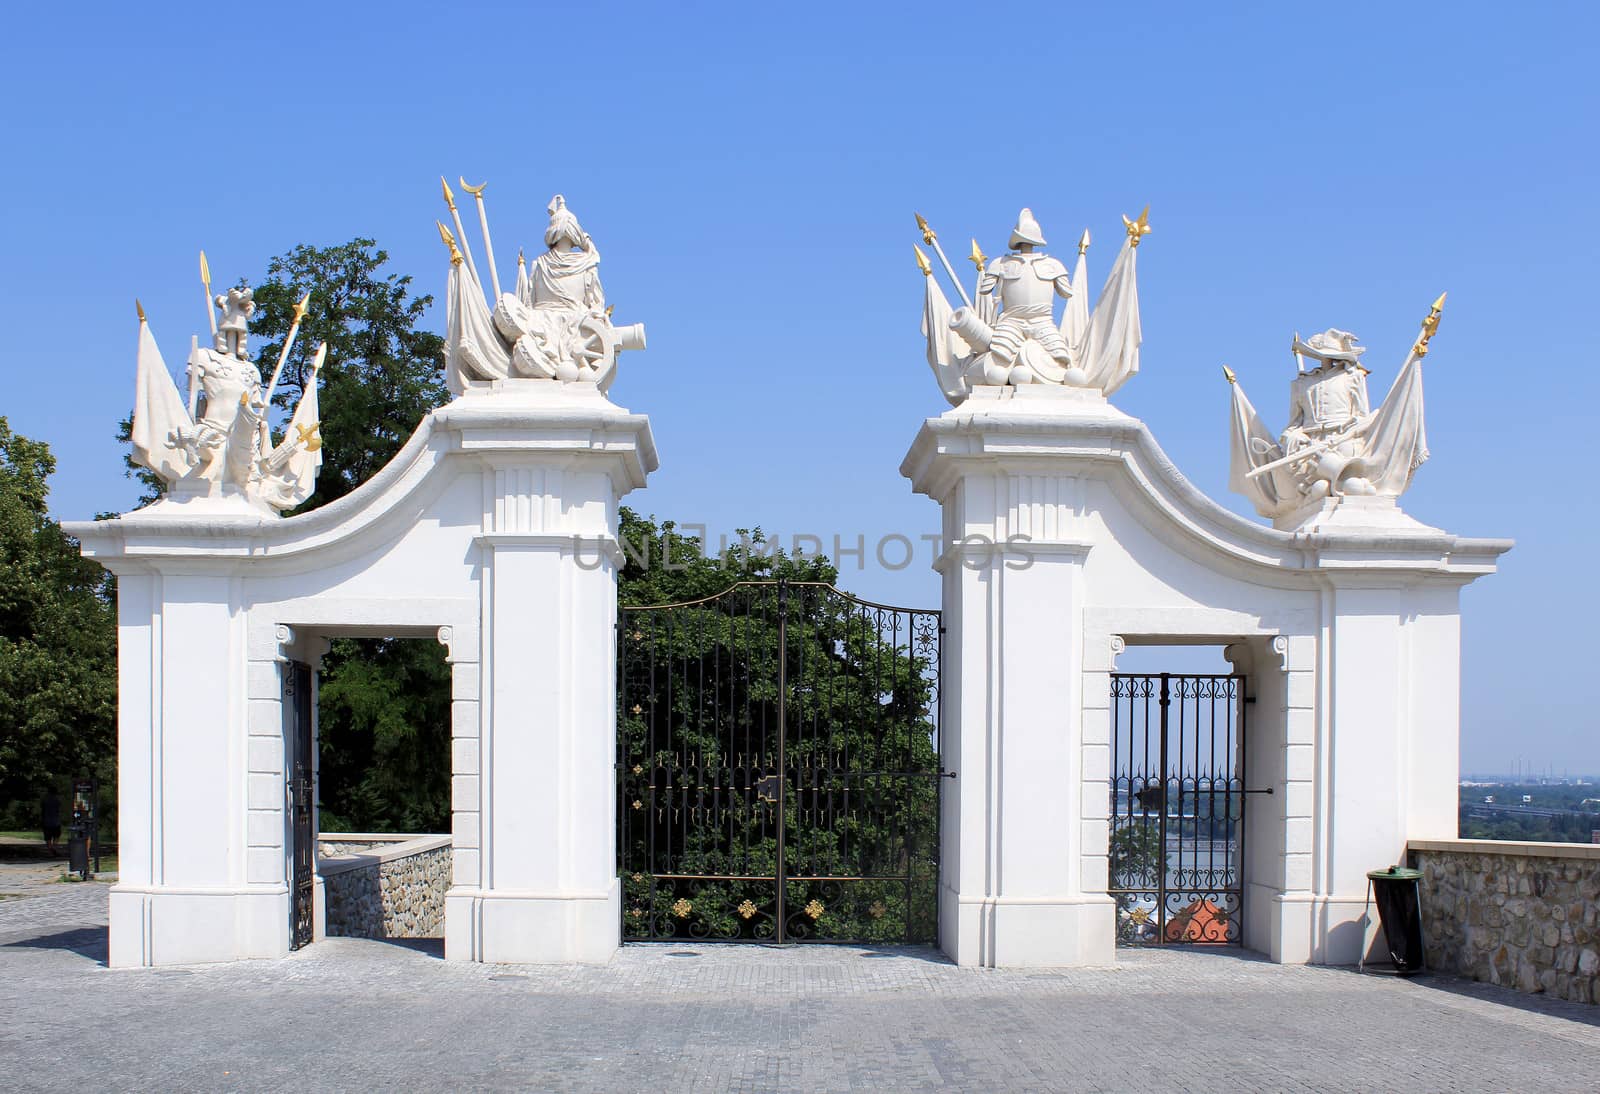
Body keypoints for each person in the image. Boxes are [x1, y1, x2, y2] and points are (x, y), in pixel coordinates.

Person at [40, 790, 61, 855]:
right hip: (56, 821)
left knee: (48, 837)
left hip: (46, 821)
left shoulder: (45, 801)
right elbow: (59, 810)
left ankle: (50, 848)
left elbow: (42, 811)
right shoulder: (57, 800)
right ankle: (54, 846)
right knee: (56, 835)